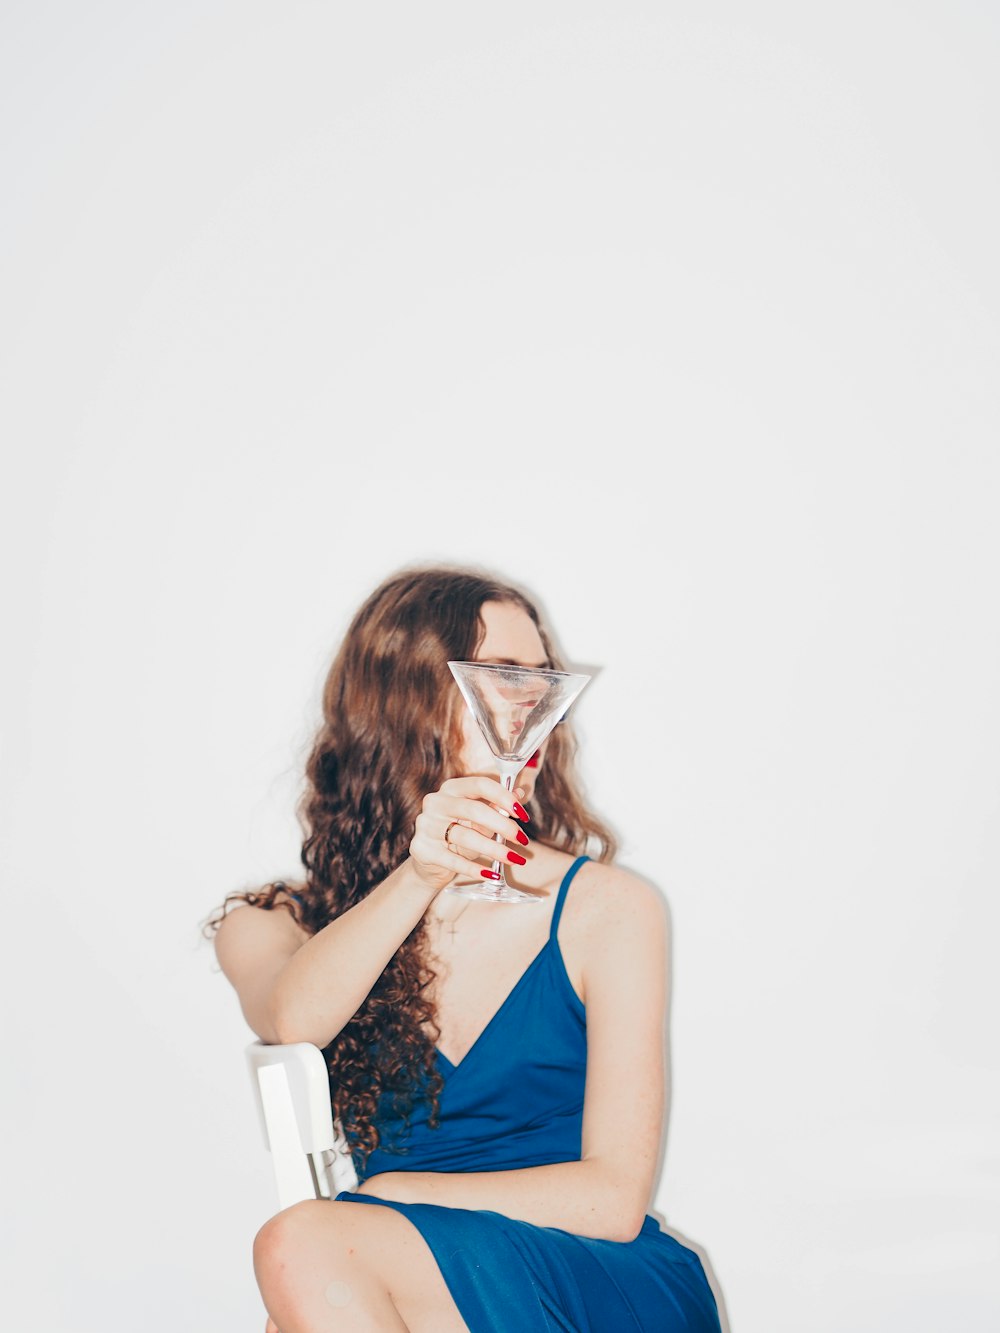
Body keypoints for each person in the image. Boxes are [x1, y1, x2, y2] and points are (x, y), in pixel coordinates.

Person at [208, 566, 722, 1333]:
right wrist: (421, 875)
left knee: (304, 1247)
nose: (531, 701)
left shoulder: (609, 908)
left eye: (540, 676)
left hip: (590, 1276)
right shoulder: (274, 923)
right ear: (407, 700)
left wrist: (399, 1193)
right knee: (308, 1255)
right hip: (396, 1276)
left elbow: (614, 1202)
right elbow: (294, 1020)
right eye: (502, 675)